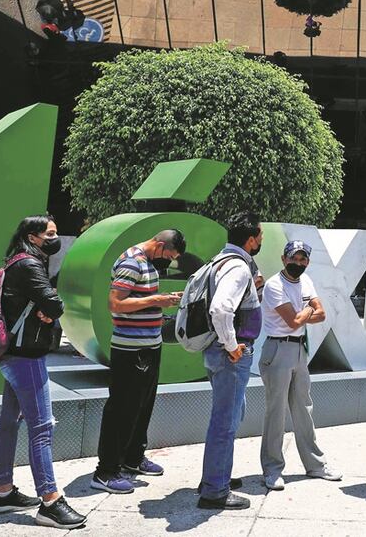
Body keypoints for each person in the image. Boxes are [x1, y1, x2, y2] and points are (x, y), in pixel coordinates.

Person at [0, 215, 86, 529]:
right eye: (50, 233)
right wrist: (48, 311)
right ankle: (50, 501)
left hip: (11, 353)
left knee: (9, 421)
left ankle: (3, 492)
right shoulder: (30, 265)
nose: (54, 238)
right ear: (33, 237)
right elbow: (55, 303)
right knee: (42, 428)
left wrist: (43, 310)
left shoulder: (14, 260)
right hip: (27, 357)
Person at [92, 230, 185, 494]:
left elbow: (139, 301)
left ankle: (133, 459)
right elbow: (115, 303)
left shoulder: (148, 263)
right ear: (159, 245)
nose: (169, 261)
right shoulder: (131, 262)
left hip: (149, 346)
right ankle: (106, 471)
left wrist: (162, 302)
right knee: (122, 408)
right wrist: (157, 300)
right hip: (130, 349)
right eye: (170, 255)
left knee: (142, 406)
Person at [259, 240, 340, 491]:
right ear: (284, 259)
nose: (298, 263)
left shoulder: (306, 281)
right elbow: (294, 321)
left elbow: (322, 313)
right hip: (278, 349)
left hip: (298, 350)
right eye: (294, 258)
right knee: (276, 411)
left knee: (304, 407)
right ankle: (272, 470)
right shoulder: (274, 285)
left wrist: (302, 314)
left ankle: (315, 465)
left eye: (303, 259)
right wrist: (306, 311)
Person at [198, 214, 263, 510]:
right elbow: (221, 309)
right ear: (250, 239)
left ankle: (216, 473)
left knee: (232, 414)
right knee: (224, 422)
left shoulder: (220, 260)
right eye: (260, 235)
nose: (261, 240)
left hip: (216, 352)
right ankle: (214, 491)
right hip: (229, 355)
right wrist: (232, 345)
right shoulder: (238, 267)